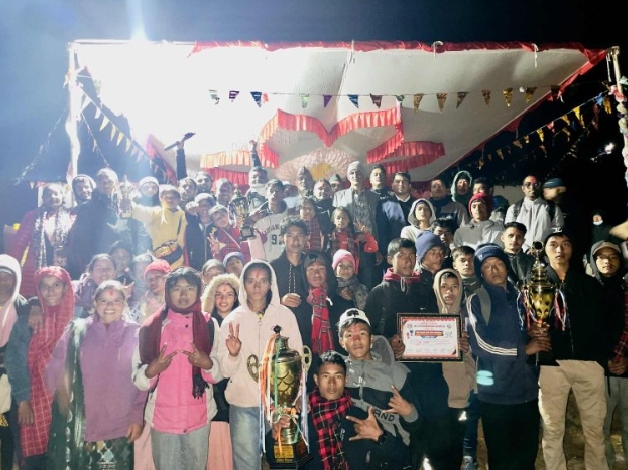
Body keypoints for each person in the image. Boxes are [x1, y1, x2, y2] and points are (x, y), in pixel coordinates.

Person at [364, 238, 450, 469]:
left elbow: (438, 327)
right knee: (407, 427)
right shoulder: (378, 293)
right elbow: (368, 335)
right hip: (397, 375)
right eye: (402, 256)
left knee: (436, 424)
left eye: (412, 256)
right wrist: (387, 343)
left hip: (428, 372)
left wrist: (452, 340)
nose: (408, 261)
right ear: (390, 259)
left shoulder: (425, 289)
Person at [45, 280, 146, 469]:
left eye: (116, 301)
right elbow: (55, 368)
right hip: (79, 426)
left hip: (119, 426)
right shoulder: (77, 332)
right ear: (95, 303)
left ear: (125, 303)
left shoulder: (137, 334)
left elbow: (143, 380)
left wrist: (136, 416)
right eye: (103, 301)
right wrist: (62, 390)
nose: (109, 306)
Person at [465, 244, 546, 470]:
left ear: (507, 267)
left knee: (526, 457)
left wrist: (535, 331)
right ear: (480, 272)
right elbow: (480, 345)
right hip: (495, 396)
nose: (494, 270)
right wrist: (523, 350)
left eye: (498, 263)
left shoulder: (523, 297)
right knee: (501, 459)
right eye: (487, 266)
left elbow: (531, 330)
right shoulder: (476, 300)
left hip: (527, 391)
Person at [216, 260, 303, 470]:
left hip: (280, 404)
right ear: (243, 284)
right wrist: (234, 354)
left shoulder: (285, 316)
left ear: (271, 283)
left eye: (263, 280)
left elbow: (298, 359)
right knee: (246, 464)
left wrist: (298, 396)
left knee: (284, 462)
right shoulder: (232, 321)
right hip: (244, 403)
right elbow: (224, 371)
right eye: (251, 281)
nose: (256, 287)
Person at [133, 267, 222, 470]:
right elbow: (137, 377)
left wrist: (207, 364)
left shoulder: (209, 324)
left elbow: (219, 373)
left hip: (199, 416)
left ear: (198, 291)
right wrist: (151, 370)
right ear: (168, 291)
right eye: (176, 288)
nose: (183, 294)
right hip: (162, 419)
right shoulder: (151, 326)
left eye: (190, 288)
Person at [270, 350, 413, 469]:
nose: (332, 383)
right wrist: (275, 438)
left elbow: (405, 458)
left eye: (338, 376)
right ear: (316, 379)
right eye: (326, 376)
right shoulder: (300, 417)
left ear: (346, 380)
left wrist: (381, 437)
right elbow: (275, 461)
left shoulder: (359, 417)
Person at [539, 229, 609, 470]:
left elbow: (604, 323)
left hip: (589, 364)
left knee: (594, 429)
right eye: (554, 244)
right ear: (544, 250)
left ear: (572, 249)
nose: (560, 249)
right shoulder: (534, 284)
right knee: (552, 429)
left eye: (565, 244)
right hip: (552, 365)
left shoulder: (589, 284)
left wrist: (600, 357)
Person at [6, 266, 75, 470]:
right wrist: (23, 401)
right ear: (38, 289)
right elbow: (15, 363)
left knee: (65, 456)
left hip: (69, 401)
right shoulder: (25, 323)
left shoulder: (76, 320)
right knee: (35, 461)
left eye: (56, 285)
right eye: (44, 286)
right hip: (32, 402)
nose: (50, 291)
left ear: (65, 288)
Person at [338, 309, 419, 467]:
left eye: (362, 333)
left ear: (371, 338)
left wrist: (409, 412)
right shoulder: (337, 373)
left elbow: (417, 425)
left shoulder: (396, 372)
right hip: (352, 458)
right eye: (349, 335)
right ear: (341, 341)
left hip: (391, 454)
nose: (356, 340)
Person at [589, 241, 628, 467]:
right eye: (601, 257)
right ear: (593, 261)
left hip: (626, 369)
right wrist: (604, 360)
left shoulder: (625, 290)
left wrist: (625, 358)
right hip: (599, 372)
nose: (607, 261)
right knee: (599, 428)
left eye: (613, 256)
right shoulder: (587, 291)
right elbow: (585, 332)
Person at [433, 268, 475, 469]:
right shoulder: (426, 319)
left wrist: (469, 380)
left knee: (455, 446)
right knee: (436, 449)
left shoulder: (467, 318)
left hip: (459, 395)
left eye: (454, 287)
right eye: (444, 287)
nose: (449, 292)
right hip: (434, 397)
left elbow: (475, 354)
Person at [201, 274, 240, 470]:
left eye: (229, 294)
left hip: (240, 389)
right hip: (214, 391)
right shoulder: (205, 324)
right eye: (218, 294)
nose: (223, 299)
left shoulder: (244, 320)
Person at [10, 183, 75, 297]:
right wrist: (11, 267)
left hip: (63, 268)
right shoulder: (32, 216)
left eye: (56, 194)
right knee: (34, 301)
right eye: (48, 194)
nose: (52, 197)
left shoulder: (71, 216)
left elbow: (77, 243)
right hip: (35, 268)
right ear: (43, 198)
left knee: (61, 299)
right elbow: (19, 244)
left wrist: (68, 250)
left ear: (62, 196)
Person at [67, 168, 131, 279]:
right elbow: (82, 240)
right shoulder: (87, 208)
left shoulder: (125, 204)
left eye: (109, 182)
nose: (106, 185)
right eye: (102, 182)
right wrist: (89, 263)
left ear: (116, 183)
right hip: (100, 263)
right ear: (97, 184)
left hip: (122, 262)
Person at [333, 161, 384, 289]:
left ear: (364, 176)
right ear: (348, 176)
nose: (355, 175)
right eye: (352, 173)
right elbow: (335, 221)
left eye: (358, 173)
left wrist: (378, 249)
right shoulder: (338, 196)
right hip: (347, 244)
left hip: (368, 244)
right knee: (347, 281)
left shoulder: (374, 197)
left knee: (368, 281)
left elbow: (377, 224)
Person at [0, 255, 31, 470]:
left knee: (7, 431)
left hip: (10, 384)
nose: (2, 281)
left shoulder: (23, 307)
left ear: (15, 279)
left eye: (7, 277)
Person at [121, 185, 188, 269]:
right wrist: (130, 206)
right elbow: (144, 212)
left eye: (173, 197)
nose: (170, 200)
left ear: (179, 199)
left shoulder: (185, 215)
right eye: (166, 197)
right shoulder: (157, 212)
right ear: (161, 199)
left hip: (180, 262)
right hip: (160, 261)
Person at [505, 175, 564, 251]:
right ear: (523, 188)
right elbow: (509, 233)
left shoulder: (553, 208)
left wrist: (543, 248)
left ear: (540, 186)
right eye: (528, 185)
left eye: (536, 184)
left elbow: (557, 232)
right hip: (521, 253)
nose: (532, 187)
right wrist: (526, 249)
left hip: (545, 253)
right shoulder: (513, 209)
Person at [249, 179, 293, 262]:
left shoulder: (291, 215)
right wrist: (250, 220)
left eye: (278, 191)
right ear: (266, 194)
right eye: (271, 191)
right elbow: (245, 235)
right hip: (264, 264)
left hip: (286, 263)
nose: (275, 193)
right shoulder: (256, 215)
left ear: (283, 193)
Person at [73, 254, 117, 318]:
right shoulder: (78, 291)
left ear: (115, 273)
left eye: (108, 268)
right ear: (91, 274)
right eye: (99, 269)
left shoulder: (122, 293)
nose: (104, 272)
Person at [184, 192, 217, 271]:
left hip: (215, 268)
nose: (204, 207)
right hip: (195, 269)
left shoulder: (218, 226)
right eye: (200, 204)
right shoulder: (190, 226)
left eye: (207, 204)